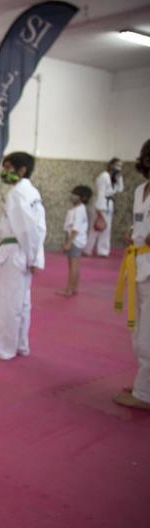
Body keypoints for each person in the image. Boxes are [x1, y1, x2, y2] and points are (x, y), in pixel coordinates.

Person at [0, 152, 47, 361]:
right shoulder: (32, 192)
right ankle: (19, 344)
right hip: (22, 252)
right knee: (21, 302)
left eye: (8, 168)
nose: (4, 172)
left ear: (22, 170)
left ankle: (5, 348)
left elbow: (27, 229)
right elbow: (39, 229)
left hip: (15, 252)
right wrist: (35, 257)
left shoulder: (17, 193)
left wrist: (32, 257)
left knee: (7, 303)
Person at [113, 138, 150, 410]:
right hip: (139, 263)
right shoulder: (140, 191)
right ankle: (144, 382)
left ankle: (144, 393)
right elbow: (140, 223)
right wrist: (131, 233)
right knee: (138, 328)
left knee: (149, 330)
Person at [84, 158, 124, 257]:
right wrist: (99, 210)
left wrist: (119, 178)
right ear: (111, 165)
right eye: (117, 165)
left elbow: (120, 189)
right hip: (100, 203)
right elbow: (101, 193)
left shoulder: (113, 178)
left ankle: (103, 251)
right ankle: (87, 249)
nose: (118, 168)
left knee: (107, 228)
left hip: (109, 203)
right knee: (95, 227)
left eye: (120, 166)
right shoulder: (104, 176)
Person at [57, 185, 92, 297]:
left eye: (76, 195)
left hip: (74, 239)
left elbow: (75, 228)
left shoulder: (79, 210)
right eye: (73, 193)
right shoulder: (77, 209)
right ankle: (74, 287)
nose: (73, 196)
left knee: (73, 265)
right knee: (74, 264)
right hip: (75, 239)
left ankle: (69, 289)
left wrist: (69, 242)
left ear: (83, 198)